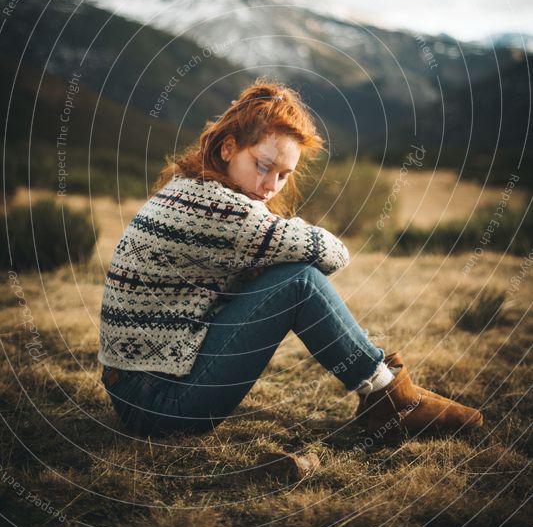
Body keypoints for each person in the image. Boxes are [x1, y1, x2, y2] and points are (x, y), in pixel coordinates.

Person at [99, 78, 483, 443]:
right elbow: (334, 253)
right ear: (228, 148)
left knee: (284, 274)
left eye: (284, 175)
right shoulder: (220, 210)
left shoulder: (189, 187)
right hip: (159, 405)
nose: (270, 187)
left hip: (137, 389)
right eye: (263, 166)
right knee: (297, 280)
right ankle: (391, 397)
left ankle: (389, 393)